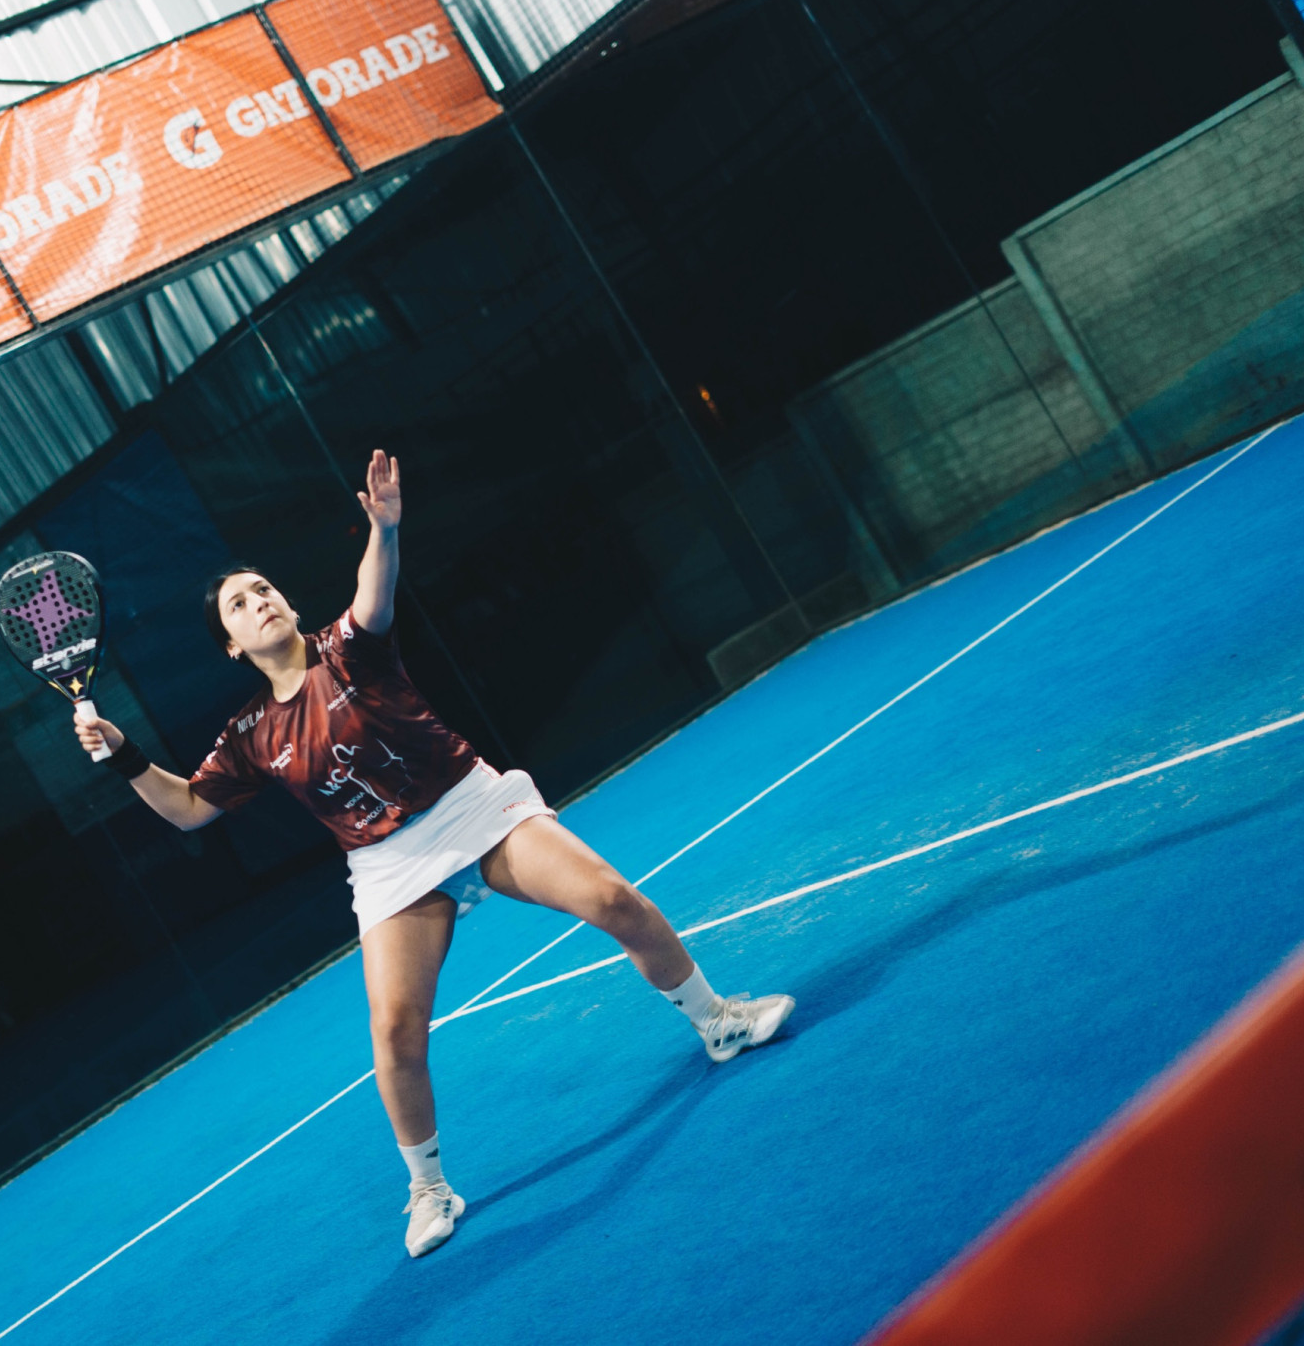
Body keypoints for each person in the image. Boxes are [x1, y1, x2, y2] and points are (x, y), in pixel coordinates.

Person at [74, 449, 795, 1258]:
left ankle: (717, 1020)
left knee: (611, 898)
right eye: (239, 604)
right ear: (232, 646)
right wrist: (124, 753)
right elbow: (187, 808)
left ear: (288, 602)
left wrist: (384, 528)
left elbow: (373, 593)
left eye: (264, 588)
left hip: (468, 804)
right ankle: (428, 1187)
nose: (259, 601)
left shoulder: (348, 647)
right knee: (393, 1030)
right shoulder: (248, 734)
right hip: (387, 865)